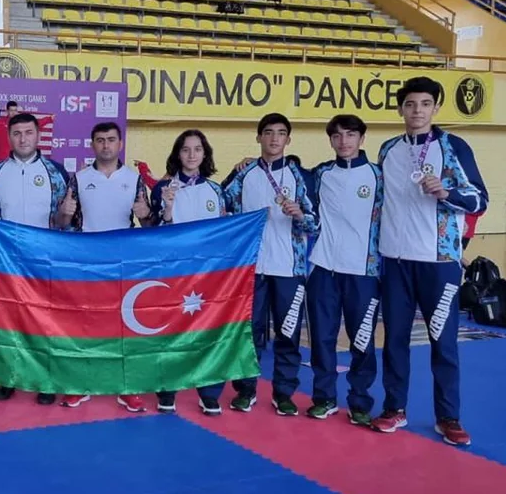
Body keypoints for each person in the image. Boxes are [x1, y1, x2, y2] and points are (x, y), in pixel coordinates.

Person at [374, 76, 486, 447]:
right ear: (401, 109)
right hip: (394, 260)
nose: (417, 111)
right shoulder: (388, 149)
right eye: (410, 104)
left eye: (424, 104)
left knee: (444, 342)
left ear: (436, 107)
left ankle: (448, 416)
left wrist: (447, 191)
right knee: (394, 341)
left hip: (439, 262)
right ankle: (395, 408)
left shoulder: (453, 147)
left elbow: (480, 200)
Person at [215, 113, 318, 416]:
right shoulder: (244, 175)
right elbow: (221, 207)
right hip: (251, 269)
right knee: (249, 333)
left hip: (289, 269)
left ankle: (283, 393)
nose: (274, 139)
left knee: (287, 334)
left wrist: (299, 215)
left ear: (289, 139)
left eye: (281, 133)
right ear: (258, 137)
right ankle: (245, 391)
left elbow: (314, 224)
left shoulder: (302, 177)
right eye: (268, 133)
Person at [58, 122, 151, 413]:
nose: (106, 145)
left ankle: (127, 387)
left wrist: (146, 215)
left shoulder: (134, 179)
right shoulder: (79, 177)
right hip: (87, 262)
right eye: (100, 140)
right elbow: (64, 224)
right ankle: (80, 384)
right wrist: (63, 215)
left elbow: (147, 225)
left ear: (120, 144)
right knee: (83, 326)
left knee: (123, 328)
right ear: (92, 144)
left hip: (123, 262)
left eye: (111, 140)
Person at [0, 112, 72, 404]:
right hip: (8, 263)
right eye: (17, 133)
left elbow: (65, 223)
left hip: (46, 262)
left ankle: (46, 381)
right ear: (9, 136)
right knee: (9, 321)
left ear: (38, 136)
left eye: (28, 133)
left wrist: (66, 216)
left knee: (45, 323)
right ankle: (10, 377)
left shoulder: (56, 172)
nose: (23, 138)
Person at [305, 115, 384, 428]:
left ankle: (360, 402)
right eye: (337, 136)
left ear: (362, 138)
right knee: (321, 339)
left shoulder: (380, 176)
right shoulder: (320, 174)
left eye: (351, 135)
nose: (344, 142)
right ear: (330, 140)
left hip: (363, 272)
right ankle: (323, 398)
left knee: (361, 340)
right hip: (323, 269)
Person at [148, 129, 226, 414]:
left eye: (197, 149)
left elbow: (223, 234)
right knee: (170, 331)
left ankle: (209, 391)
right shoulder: (163, 188)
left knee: (208, 332)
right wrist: (168, 209)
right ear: (177, 154)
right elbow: (155, 234)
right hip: (173, 273)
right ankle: (167, 389)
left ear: (205, 154)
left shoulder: (216, 191)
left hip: (207, 274)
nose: (191, 155)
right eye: (185, 149)